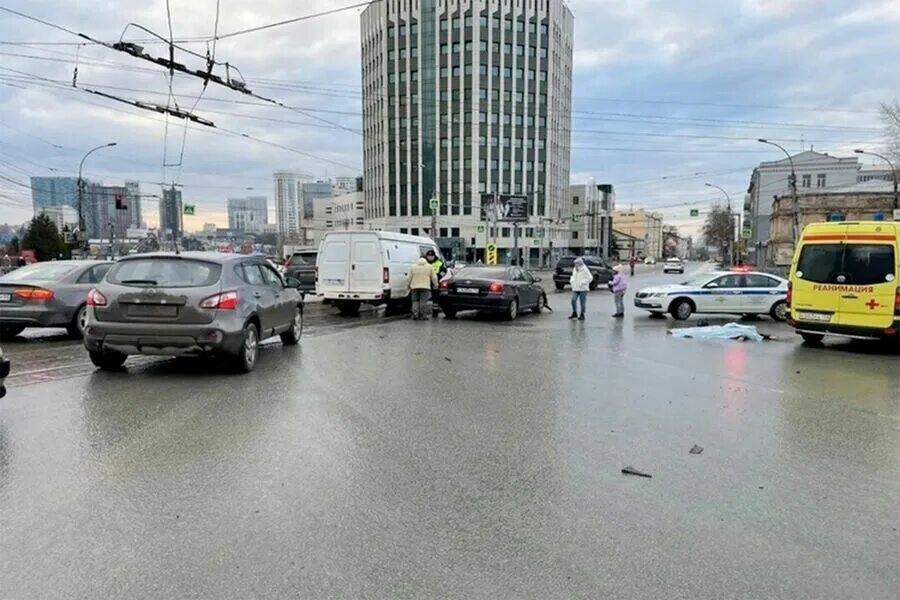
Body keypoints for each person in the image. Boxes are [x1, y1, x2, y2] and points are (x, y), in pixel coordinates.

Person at [424, 249, 447, 317]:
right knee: (425, 297)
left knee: (435, 298)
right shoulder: (425, 263)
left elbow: (444, 271)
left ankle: (435, 312)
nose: (430, 257)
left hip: (435, 282)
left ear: (434, 256)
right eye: (429, 256)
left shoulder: (439, 263)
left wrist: (438, 276)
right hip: (426, 282)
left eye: (431, 256)